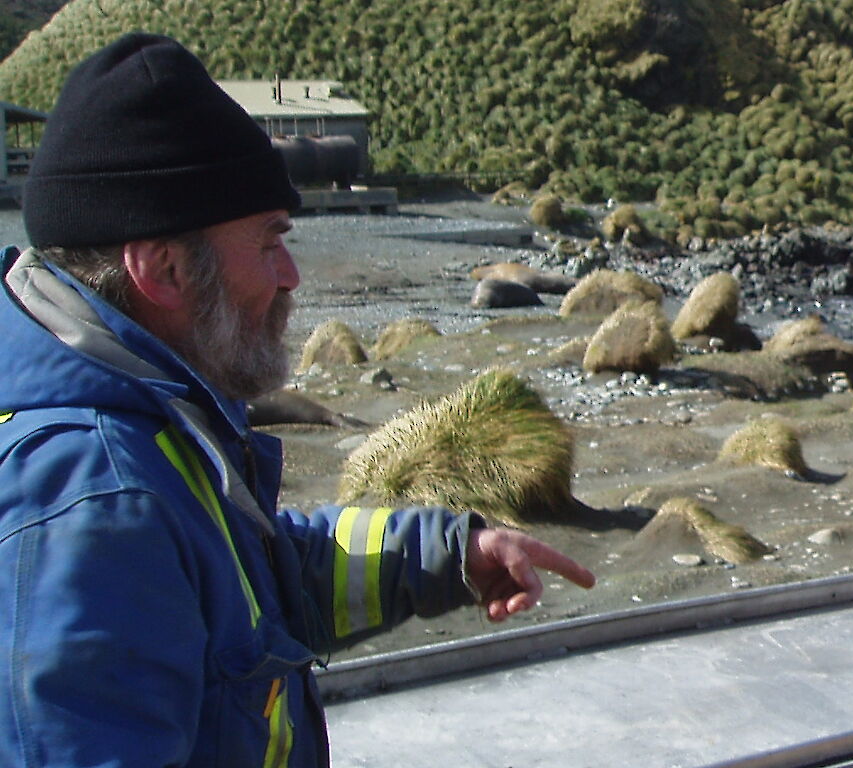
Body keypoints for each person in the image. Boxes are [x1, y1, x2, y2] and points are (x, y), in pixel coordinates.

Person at [0, 33, 596, 765]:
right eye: (269, 241)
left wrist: (448, 555)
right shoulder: (96, 505)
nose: (292, 276)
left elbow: (249, 584)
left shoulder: (146, 417)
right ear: (163, 269)